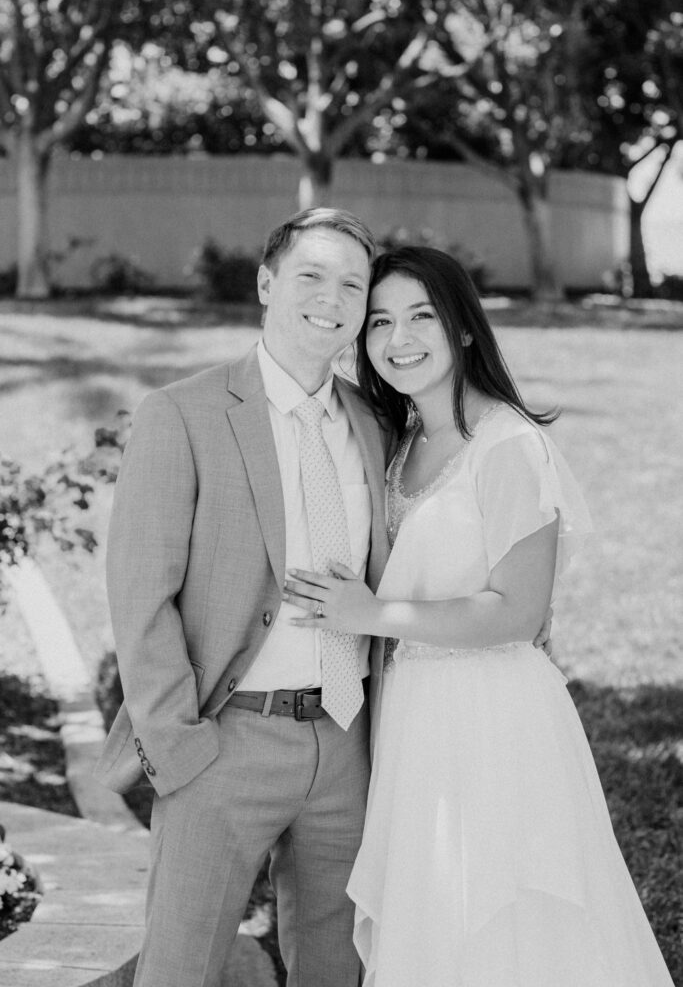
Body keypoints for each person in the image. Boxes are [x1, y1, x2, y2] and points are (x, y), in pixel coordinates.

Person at [283, 246, 675, 987]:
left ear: (463, 327)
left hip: (492, 714)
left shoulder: (508, 445)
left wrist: (371, 613)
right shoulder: (400, 444)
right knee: (430, 908)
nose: (399, 338)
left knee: (500, 908)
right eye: (378, 322)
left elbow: (516, 613)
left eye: (421, 316)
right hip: (412, 709)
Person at [94, 207, 390, 987]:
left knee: (337, 966)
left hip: (346, 738)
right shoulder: (182, 414)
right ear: (266, 284)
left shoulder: (375, 424)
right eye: (311, 276)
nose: (331, 298)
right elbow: (140, 595)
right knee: (178, 969)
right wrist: (180, 748)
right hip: (224, 742)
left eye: (352, 285)